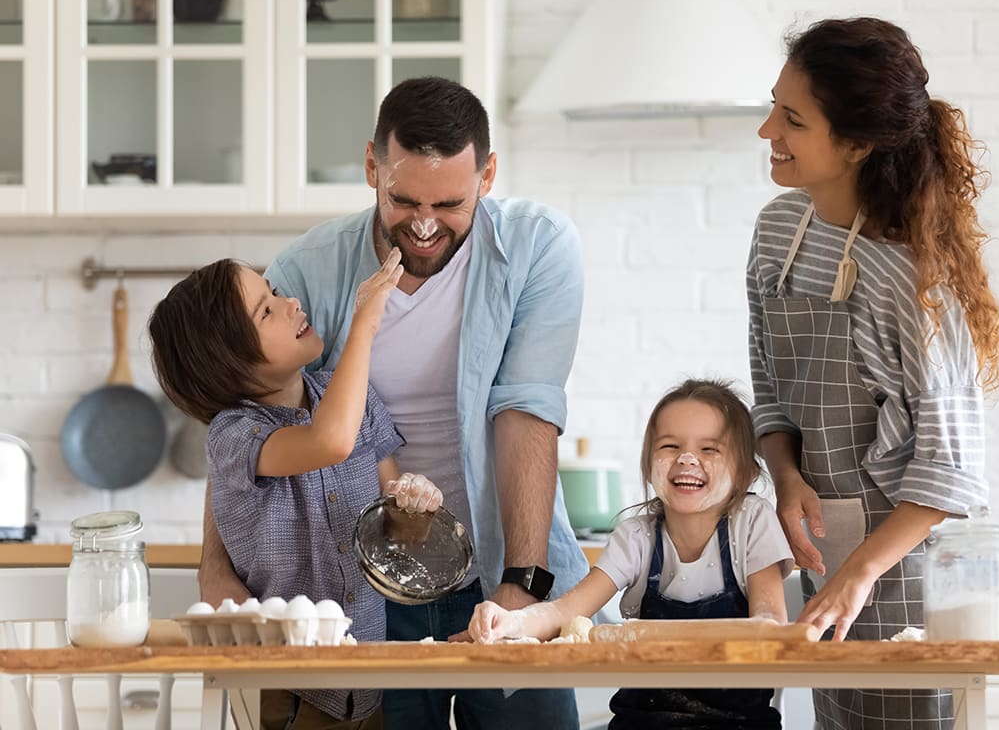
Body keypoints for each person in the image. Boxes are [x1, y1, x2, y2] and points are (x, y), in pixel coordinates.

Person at [196, 75, 590, 730]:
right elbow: (244, 426)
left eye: (451, 202)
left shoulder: (538, 248)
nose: (426, 225)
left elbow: (525, 412)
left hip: (506, 574)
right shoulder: (308, 274)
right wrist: (215, 572)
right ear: (373, 166)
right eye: (404, 200)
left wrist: (522, 586)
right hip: (365, 593)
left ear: (488, 175)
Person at [747, 16, 999, 729]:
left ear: (857, 143)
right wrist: (787, 475)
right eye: (774, 104)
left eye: (793, 118)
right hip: (825, 555)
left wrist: (861, 570)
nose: (768, 129)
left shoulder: (910, 278)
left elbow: (949, 469)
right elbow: (768, 388)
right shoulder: (776, 234)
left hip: (906, 580)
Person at [150, 247, 445, 729]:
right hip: (288, 694)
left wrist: (415, 506)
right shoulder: (233, 436)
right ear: (229, 362)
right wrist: (365, 323)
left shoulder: (356, 398)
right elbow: (327, 441)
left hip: (369, 685)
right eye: (266, 310)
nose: (291, 304)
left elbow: (398, 534)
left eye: (276, 293)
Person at [469, 378, 794, 729]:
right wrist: (511, 622)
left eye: (709, 450)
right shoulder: (637, 536)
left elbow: (769, 625)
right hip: (643, 721)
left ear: (746, 472)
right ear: (647, 464)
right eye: (670, 446)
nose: (687, 459)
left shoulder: (752, 522)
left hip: (740, 722)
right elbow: (566, 611)